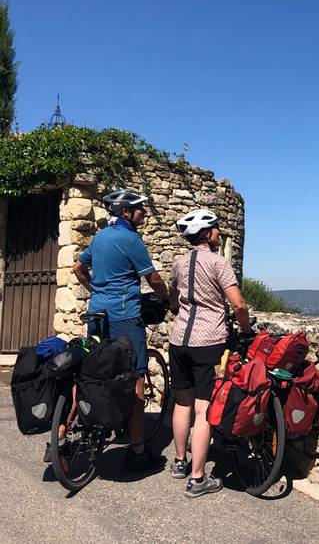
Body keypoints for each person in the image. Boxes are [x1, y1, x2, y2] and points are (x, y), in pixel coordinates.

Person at [73, 188, 170, 469]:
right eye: (140, 209)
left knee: (92, 372)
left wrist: (95, 291)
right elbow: (152, 278)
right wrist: (166, 298)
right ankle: (137, 449)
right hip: (125, 317)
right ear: (126, 212)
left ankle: (67, 431)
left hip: (97, 314)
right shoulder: (132, 240)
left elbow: (79, 268)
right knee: (137, 378)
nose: (144, 213)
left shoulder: (100, 237)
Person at [168, 208, 251, 498]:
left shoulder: (178, 263)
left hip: (178, 341)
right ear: (207, 233)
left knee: (182, 403)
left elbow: (172, 299)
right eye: (216, 228)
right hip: (208, 343)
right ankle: (198, 478)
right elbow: (238, 304)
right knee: (204, 410)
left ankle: (180, 462)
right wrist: (246, 328)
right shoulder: (219, 263)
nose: (219, 232)